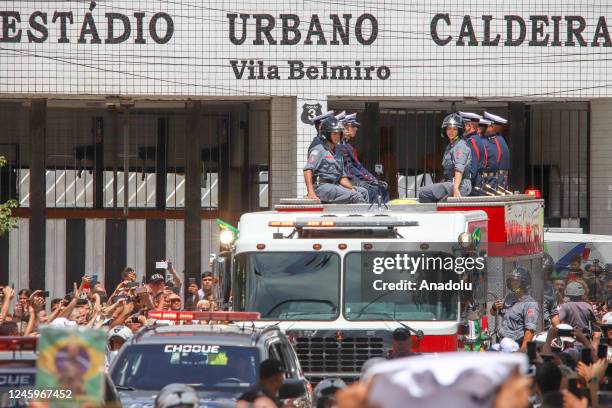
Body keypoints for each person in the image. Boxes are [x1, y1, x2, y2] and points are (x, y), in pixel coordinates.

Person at [303, 117, 368, 204]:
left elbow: (342, 177)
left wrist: (352, 188)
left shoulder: (338, 151)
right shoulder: (318, 150)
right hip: (322, 187)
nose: (338, 136)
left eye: (339, 133)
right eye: (334, 134)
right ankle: (360, 217)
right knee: (356, 196)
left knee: (363, 192)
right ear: (326, 134)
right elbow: (307, 170)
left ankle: (358, 215)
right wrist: (311, 192)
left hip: (335, 185)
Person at [418, 113, 472, 202]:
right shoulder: (451, 146)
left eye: (454, 129)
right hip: (450, 183)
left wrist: (455, 188)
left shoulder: (459, 146)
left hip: (459, 185)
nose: (451, 131)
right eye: (449, 129)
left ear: (459, 131)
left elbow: (459, 169)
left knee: (424, 192)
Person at [337, 113, 389, 203]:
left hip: (350, 178)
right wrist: (369, 179)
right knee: (374, 190)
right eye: (352, 126)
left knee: (380, 188)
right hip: (346, 180)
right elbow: (350, 169)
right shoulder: (339, 146)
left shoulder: (346, 145)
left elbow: (357, 166)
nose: (356, 129)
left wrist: (372, 179)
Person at [490, 267, 539, 351]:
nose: (512, 283)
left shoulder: (530, 304)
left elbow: (529, 332)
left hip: (515, 346)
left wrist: (521, 352)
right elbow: (493, 313)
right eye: (512, 280)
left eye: (516, 281)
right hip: (502, 343)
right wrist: (494, 307)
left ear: (524, 283)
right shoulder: (509, 297)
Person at [458, 112, 486, 196]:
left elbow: (472, 167)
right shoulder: (476, 139)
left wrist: (464, 182)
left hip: (472, 185)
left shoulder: (471, 141)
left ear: (469, 126)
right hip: (477, 182)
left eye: (462, 125)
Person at [483, 112, 510, 190]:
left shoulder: (492, 141)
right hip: (500, 181)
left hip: (493, 182)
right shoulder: (500, 139)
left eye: (485, 125)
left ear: (492, 126)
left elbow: (492, 164)